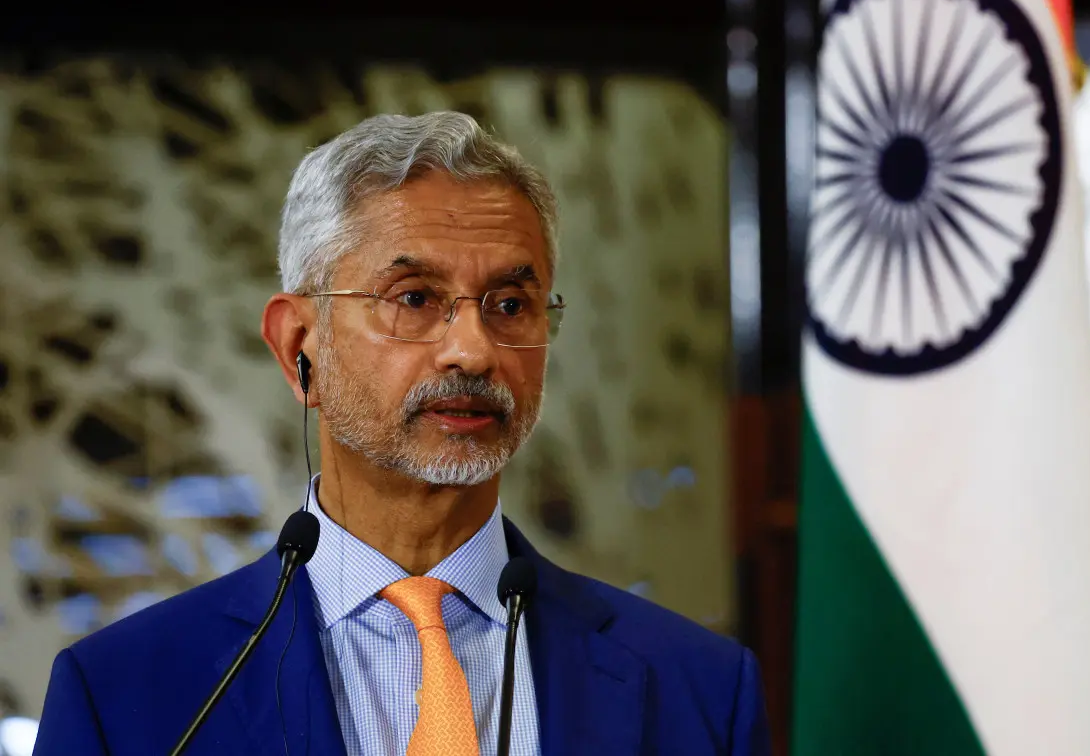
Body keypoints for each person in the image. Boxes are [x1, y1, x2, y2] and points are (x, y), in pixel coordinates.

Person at [33, 112, 770, 755]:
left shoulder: (698, 690)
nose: (472, 351)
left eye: (511, 303)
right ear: (299, 345)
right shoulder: (129, 698)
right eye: (414, 298)